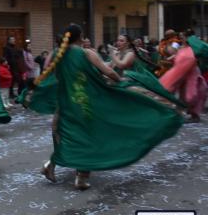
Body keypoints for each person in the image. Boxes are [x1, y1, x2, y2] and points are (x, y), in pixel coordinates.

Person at [35, 24, 183, 190]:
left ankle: (51, 165)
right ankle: (80, 177)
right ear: (80, 36)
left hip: (65, 103)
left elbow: (49, 74)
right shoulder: (86, 52)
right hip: (86, 103)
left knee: (66, 134)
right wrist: (119, 81)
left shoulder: (57, 54)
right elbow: (109, 72)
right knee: (88, 136)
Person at [159, 34, 207, 123]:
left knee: (191, 96)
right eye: (181, 37)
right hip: (182, 75)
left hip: (192, 74)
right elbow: (173, 56)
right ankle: (180, 114)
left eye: (183, 36)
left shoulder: (193, 49)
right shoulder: (178, 47)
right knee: (183, 96)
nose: (182, 38)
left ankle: (194, 115)